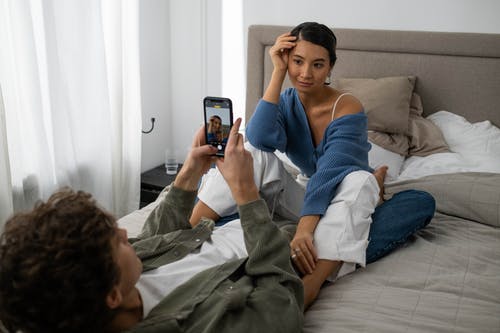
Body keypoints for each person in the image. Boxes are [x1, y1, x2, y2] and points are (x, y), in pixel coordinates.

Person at [190, 22, 435, 308]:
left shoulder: (347, 107)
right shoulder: (286, 100)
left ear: (331, 67)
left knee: (374, 186)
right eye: (297, 62)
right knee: (251, 153)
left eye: (318, 65)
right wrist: (277, 73)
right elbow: (258, 139)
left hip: (339, 193)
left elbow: (330, 173)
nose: (305, 74)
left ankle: (311, 284)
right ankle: (188, 230)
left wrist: (305, 230)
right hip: (305, 196)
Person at [0, 118, 304, 333]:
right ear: (112, 297)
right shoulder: (197, 324)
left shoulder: (112, 276)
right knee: (350, 187)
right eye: (117, 242)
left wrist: (189, 173)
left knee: (253, 153)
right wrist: (246, 196)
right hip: (278, 240)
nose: (124, 233)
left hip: (228, 225)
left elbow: (155, 239)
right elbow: (281, 302)